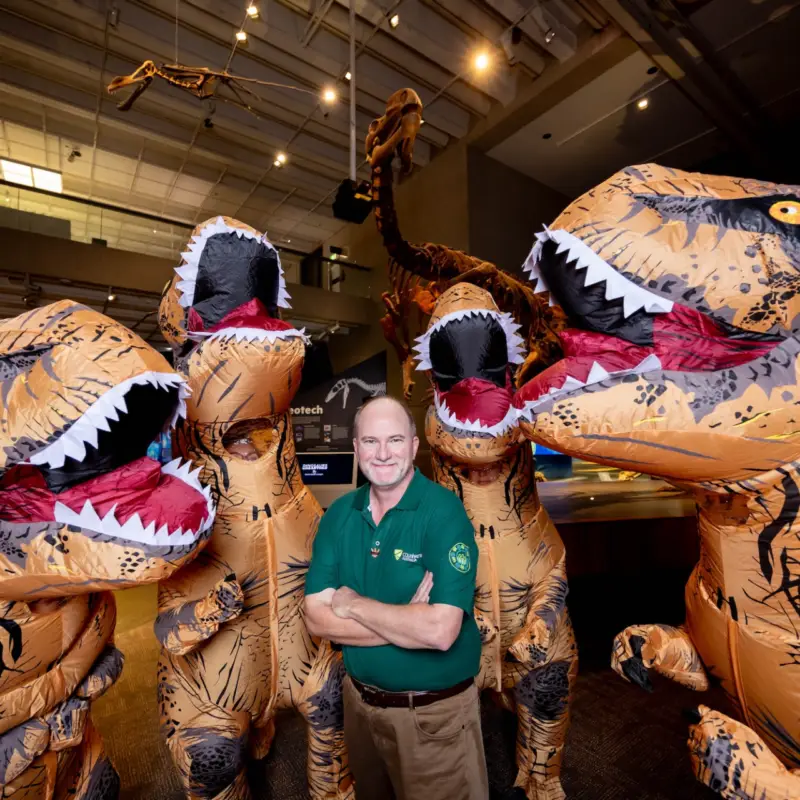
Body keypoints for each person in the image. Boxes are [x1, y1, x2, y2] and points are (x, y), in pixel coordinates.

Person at [304, 396, 488, 800]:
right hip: (360, 708)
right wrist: (408, 621)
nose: (383, 453)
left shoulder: (442, 512)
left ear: (413, 446)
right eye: (370, 441)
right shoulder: (338, 514)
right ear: (355, 448)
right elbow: (315, 619)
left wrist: (353, 605)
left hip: (431, 717)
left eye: (394, 440)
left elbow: (441, 632)